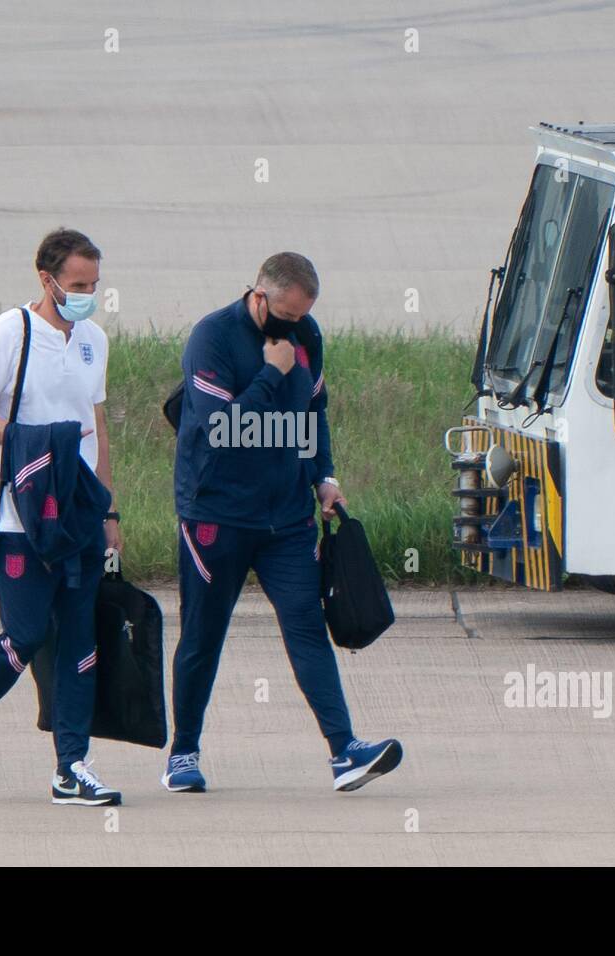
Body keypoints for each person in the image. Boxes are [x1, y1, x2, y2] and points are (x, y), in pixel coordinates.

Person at [164, 252, 403, 794]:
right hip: (216, 515)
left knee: (306, 626)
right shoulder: (213, 338)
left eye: (303, 317)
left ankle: (345, 752)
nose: (296, 327)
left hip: (287, 518)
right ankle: (183, 753)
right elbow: (223, 429)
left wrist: (324, 475)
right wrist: (272, 372)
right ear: (260, 295)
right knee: (203, 635)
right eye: (288, 316)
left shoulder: (307, 335)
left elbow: (313, 414)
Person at [0, 227, 124, 807]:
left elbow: (97, 429)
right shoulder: (8, 333)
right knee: (27, 634)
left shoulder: (94, 341)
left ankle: (72, 766)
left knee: (80, 641)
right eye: (77, 284)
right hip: (19, 517)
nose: (88, 293)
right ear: (47, 280)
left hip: (81, 517)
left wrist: (109, 509)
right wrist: (34, 445)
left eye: (95, 283)